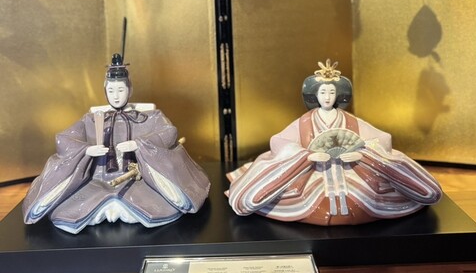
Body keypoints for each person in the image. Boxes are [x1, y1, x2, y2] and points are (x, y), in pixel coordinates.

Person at [227, 60, 442, 226]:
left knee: (364, 198)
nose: (327, 97)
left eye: (331, 92)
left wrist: (362, 154)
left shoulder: (349, 120)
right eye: (323, 92)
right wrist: (307, 156)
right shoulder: (305, 121)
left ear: (338, 95)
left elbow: (381, 138)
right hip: (312, 171)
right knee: (296, 198)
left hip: (351, 170)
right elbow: (279, 141)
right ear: (315, 95)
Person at [23, 54, 210, 234]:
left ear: (130, 89)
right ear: (105, 91)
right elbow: (64, 139)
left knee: (153, 205)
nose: (116, 96)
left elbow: (168, 133)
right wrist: (87, 150)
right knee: (72, 210)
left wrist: (139, 144)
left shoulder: (149, 117)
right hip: (97, 179)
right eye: (111, 91)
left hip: (139, 180)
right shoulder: (92, 119)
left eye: (121, 90)